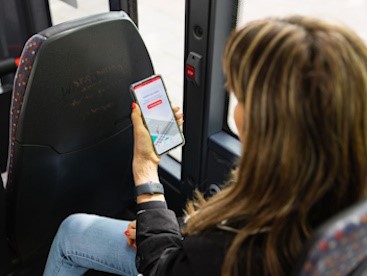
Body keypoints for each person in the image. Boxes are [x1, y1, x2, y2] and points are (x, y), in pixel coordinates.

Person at [44, 15, 367, 276]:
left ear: (273, 131)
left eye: (239, 98)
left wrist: (145, 169)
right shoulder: (341, 210)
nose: (236, 111)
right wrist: (157, 226)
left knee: (73, 232)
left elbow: (163, 267)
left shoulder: (235, 250)